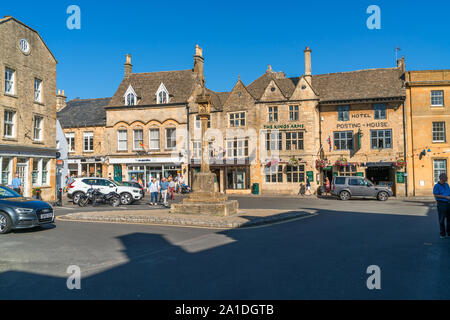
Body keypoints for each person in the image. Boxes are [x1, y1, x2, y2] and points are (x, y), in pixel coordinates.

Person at [433, 173, 450, 239]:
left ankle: (449, 233)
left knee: (449, 219)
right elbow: (435, 195)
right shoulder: (436, 186)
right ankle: (442, 234)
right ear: (441, 178)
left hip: (448, 203)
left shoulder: (447, 185)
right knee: (442, 219)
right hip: (441, 203)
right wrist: (445, 197)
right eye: (446, 177)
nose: (447, 178)